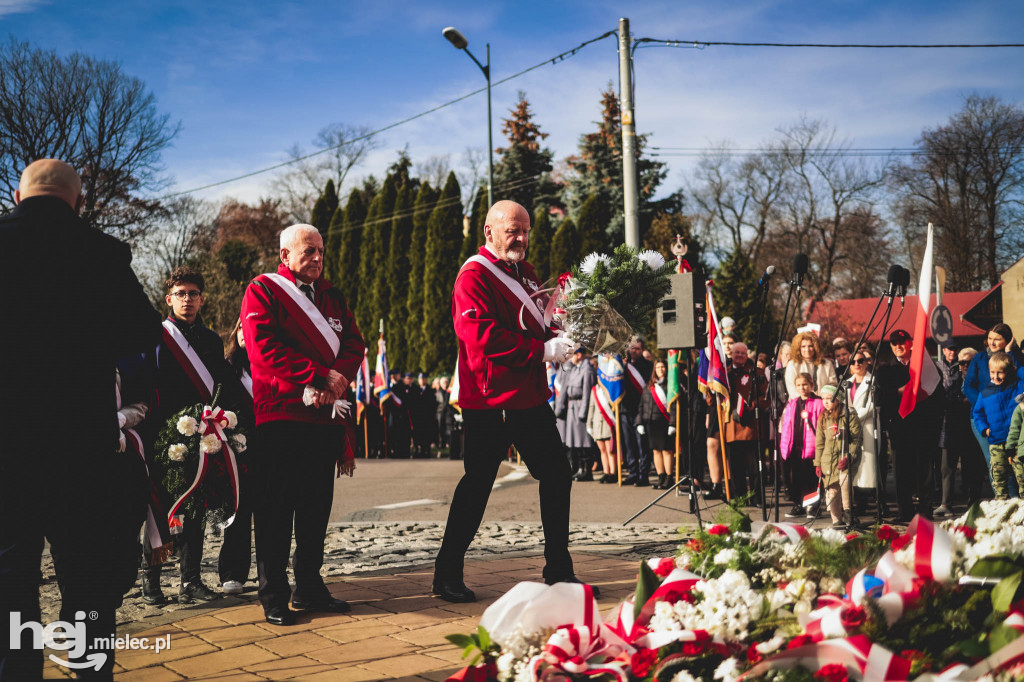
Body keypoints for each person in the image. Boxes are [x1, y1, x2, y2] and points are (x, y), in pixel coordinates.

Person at [0, 159, 163, 679]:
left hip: (7, 449)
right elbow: (143, 334)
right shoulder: (102, 253)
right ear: (79, 201)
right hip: (81, 447)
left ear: (21, 197)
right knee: (87, 578)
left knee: (9, 579)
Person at [433, 200, 591, 604]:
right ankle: (446, 573)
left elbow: (543, 323)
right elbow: (480, 336)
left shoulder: (527, 273)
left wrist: (569, 325)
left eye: (525, 230)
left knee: (557, 474)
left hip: (528, 395)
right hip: (489, 399)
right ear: (489, 232)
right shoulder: (472, 276)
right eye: (512, 231)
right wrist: (541, 352)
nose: (520, 238)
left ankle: (559, 569)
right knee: (478, 485)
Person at [241, 223, 365, 626]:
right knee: (275, 510)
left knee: (315, 508)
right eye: (308, 251)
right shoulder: (263, 291)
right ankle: (274, 593)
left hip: (324, 417)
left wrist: (338, 378)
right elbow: (264, 348)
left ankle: (309, 585)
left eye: (320, 251)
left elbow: (355, 344)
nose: (316, 258)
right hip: (280, 415)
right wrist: (317, 374)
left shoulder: (333, 295)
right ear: (285, 256)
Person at [144, 266, 241, 606]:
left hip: (202, 433)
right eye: (181, 294)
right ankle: (151, 580)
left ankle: (190, 581)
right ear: (169, 299)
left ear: (202, 299)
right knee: (161, 507)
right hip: (163, 433)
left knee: (196, 506)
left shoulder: (212, 341)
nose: (187, 299)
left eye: (193, 294)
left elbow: (222, 384)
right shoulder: (155, 337)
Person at [876, 329, 942, 521]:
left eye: (902, 342)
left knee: (924, 470)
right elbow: (881, 398)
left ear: (911, 343)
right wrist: (900, 392)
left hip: (923, 426)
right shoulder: (885, 369)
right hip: (900, 427)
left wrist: (934, 421)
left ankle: (925, 510)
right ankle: (904, 511)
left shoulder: (926, 366)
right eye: (894, 343)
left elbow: (937, 392)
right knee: (902, 470)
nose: (899, 346)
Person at [219, 317, 256, 594]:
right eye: (241, 327)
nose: (245, 332)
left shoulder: (268, 366)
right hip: (238, 450)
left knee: (271, 515)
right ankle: (233, 573)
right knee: (238, 514)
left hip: (269, 448)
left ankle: (272, 571)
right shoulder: (227, 368)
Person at [963, 323, 1024, 490]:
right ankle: (1004, 507)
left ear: (1008, 340)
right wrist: (987, 405)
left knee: (1017, 463)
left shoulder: (1015, 357)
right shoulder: (980, 359)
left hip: (1015, 421)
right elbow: (967, 386)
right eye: (990, 338)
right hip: (983, 420)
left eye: (997, 339)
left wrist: (1011, 352)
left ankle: (1017, 506)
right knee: (997, 465)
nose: (992, 343)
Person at [973, 351, 1024, 500]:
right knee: (999, 478)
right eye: (992, 372)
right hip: (996, 442)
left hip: (1015, 442)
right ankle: (1001, 509)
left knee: (1021, 477)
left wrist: (1016, 367)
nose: (995, 376)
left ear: (1009, 371)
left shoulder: (1019, 386)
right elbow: (978, 413)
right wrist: (985, 430)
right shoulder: (985, 392)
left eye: (1000, 373)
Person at [724, 342, 769, 503]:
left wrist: (754, 405)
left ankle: (757, 498)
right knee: (735, 468)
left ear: (747, 355)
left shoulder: (756, 373)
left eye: (743, 353)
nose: (740, 356)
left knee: (755, 467)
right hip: (732, 426)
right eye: (737, 353)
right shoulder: (724, 373)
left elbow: (766, 397)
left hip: (752, 427)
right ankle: (740, 498)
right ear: (731, 354)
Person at [814, 385, 863, 529]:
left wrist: (849, 456)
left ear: (839, 399)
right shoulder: (823, 417)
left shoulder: (848, 414)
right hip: (828, 459)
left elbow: (856, 439)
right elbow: (819, 442)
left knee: (844, 480)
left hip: (845, 456)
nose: (826, 402)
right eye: (823, 399)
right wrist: (818, 463)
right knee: (832, 488)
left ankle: (849, 512)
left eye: (829, 399)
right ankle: (836, 518)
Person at [779, 373, 823, 518]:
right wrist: (785, 445)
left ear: (811, 385)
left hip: (811, 447)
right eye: (799, 385)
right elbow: (787, 426)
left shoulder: (818, 402)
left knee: (812, 479)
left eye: (805, 384)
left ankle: (813, 507)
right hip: (796, 446)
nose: (802, 387)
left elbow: (821, 425)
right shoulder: (792, 403)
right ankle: (798, 505)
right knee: (796, 478)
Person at [636, 359, 679, 490]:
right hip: (651, 423)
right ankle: (661, 477)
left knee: (667, 451)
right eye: (658, 367)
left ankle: (669, 477)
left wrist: (673, 423)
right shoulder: (649, 387)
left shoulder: (671, 386)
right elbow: (642, 406)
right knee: (656, 451)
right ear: (654, 370)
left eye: (663, 367)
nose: (661, 370)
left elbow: (673, 407)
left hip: (664, 422)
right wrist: (639, 423)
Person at [847, 349, 879, 515]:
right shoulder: (847, 383)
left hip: (867, 427)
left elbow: (872, 406)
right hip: (852, 429)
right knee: (855, 464)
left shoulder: (872, 381)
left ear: (867, 362)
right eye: (853, 362)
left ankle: (872, 502)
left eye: (860, 361)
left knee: (868, 465)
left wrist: (853, 419)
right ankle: (857, 502)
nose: (857, 364)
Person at [556, 348, 596, 481]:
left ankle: (586, 470)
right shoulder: (574, 368)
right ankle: (579, 468)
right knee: (574, 440)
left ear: (579, 355)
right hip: (572, 406)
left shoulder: (587, 369)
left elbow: (586, 392)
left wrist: (583, 412)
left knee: (584, 440)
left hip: (580, 406)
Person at [620, 337, 654, 486]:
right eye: (632, 348)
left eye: (637, 348)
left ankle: (643, 474)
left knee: (642, 444)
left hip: (641, 410)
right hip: (625, 409)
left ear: (642, 350)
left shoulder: (648, 366)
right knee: (629, 443)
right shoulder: (621, 365)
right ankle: (633, 472)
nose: (634, 351)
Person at [785, 331, 838, 398]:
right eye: (803, 346)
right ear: (799, 348)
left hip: (823, 404)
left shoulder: (827, 364)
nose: (807, 349)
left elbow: (833, 385)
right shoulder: (792, 365)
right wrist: (807, 403)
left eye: (810, 346)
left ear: (816, 347)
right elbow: (792, 389)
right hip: (799, 404)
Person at [586, 380, 617, 483]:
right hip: (597, 424)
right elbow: (591, 407)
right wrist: (589, 424)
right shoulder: (595, 389)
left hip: (608, 422)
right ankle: (606, 472)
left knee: (610, 450)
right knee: (602, 450)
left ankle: (613, 473)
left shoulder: (609, 388)